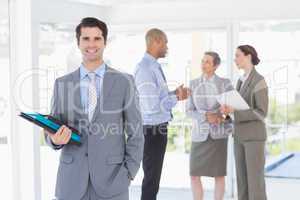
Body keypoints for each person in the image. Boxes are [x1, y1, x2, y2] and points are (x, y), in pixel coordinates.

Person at [44, 17, 144, 200]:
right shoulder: (62, 84)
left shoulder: (124, 82)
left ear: (105, 42)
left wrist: (129, 173)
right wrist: (55, 140)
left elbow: (136, 133)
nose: (91, 44)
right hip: (71, 183)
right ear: (78, 42)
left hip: (113, 182)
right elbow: (50, 129)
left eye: (97, 38)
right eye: (86, 38)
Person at [134, 28, 190, 200]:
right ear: (156, 41)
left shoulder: (153, 67)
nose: (167, 46)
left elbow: (157, 99)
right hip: (152, 130)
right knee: (151, 178)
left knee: (153, 178)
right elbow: (151, 106)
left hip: (157, 129)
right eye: (165, 42)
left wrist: (174, 94)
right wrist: (176, 98)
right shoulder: (144, 69)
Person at [220, 45, 268, 200]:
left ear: (248, 57)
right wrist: (228, 113)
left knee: (255, 183)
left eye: (238, 55)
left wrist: (235, 111)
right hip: (239, 136)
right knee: (242, 182)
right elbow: (238, 109)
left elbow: (261, 113)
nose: (235, 59)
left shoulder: (259, 81)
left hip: (254, 138)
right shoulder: (240, 81)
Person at [186, 52, 233, 200]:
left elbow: (231, 110)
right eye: (202, 61)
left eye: (207, 62)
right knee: (194, 175)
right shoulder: (193, 84)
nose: (203, 64)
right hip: (199, 135)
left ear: (216, 65)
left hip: (218, 135)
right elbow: (188, 111)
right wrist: (205, 116)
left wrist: (221, 116)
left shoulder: (225, 83)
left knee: (219, 175)